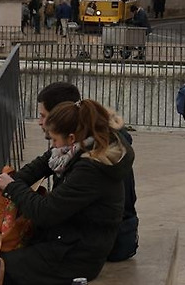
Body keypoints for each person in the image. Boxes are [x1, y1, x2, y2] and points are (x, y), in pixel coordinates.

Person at [0, 98, 131, 285]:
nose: (52, 146)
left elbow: (45, 212)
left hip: (76, 256)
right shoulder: (74, 149)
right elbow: (40, 165)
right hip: (65, 239)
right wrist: (14, 180)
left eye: (54, 140)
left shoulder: (90, 169)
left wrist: (12, 187)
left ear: (71, 138)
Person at [35, 82, 139, 262]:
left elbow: (52, 210)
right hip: (121, 235)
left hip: (110, 243)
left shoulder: (90, 156)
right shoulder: (87, 142)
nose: (40, 122)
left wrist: (14, 190)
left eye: (43, 116)